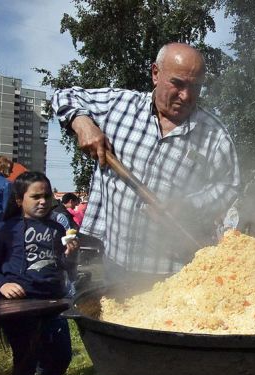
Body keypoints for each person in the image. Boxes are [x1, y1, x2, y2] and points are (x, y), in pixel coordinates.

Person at [52, 43, 240, 286]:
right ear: (155, 74)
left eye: (195, 87)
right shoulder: (118, 105)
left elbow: (229, 185)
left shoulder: (215, 135)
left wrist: (189, 205)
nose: (186, 95)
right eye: (178, 83)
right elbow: (63, 95)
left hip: (174, 269)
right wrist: (81, 123)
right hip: (113, 259)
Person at [0, 172, 79, 375]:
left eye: (47, 196)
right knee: (25, 363)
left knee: (61, 357)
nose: (43, 201)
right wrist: (1, 285)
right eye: (36, 196)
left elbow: (67, 268)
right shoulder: (5, 230)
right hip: (20, 306)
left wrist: (71, 256)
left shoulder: (58, 230)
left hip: (52, 305)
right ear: (19, 200)